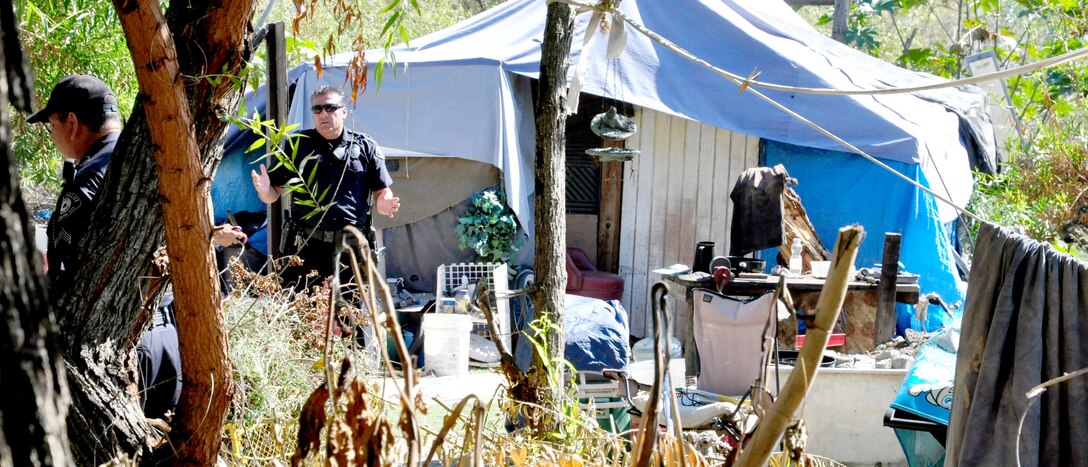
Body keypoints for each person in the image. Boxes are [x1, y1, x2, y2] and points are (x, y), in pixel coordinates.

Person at [28, 74, 181, 420]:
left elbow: (67, 279)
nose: (51, 135)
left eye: (51, 124)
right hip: (171, 335)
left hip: (121, 349)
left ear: (71, 123)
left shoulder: (89, 178)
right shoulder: (150, 160)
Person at [251, 86, 400, 291]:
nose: (324, 114)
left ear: (344, 111)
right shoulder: (297, 145)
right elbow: (272, 195)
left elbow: (382, 191)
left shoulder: (365, 146)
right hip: (308, 247)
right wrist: (264, 191)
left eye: (330, 108)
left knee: (349, 316)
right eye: (317, 109)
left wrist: (384, 203)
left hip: (350, 248)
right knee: (306, 316)